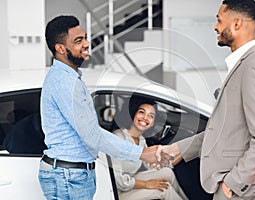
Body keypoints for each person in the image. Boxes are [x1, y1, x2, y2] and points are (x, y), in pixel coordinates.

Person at [157, 0, 255, 199]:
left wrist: (231, 184)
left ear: (237, 24)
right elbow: (223, 131)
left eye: (219, 21)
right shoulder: (243, 65)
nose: (215, 26)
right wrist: (177, 149)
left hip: (239, 191)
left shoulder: (254, 67)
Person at [39, 15, 167, 200]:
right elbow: (91, 134)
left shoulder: (71, 78)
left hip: (72, 174)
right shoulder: (65, 82)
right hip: (69, 176)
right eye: (78, 40)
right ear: (60, 48)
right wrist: (142, 153)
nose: (86, 43)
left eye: (85, 37)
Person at [111, 97, 187, 200]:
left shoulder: (141, 140)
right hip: (115, 191)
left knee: (167, 173)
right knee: (164, 189)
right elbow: (118, 181)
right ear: (133, 113)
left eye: (151, 116)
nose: (145, 118)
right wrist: (146, 184)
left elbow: (150, 167)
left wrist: (181, 152)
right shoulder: (118, 138)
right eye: (142, 112)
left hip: (129, 182)